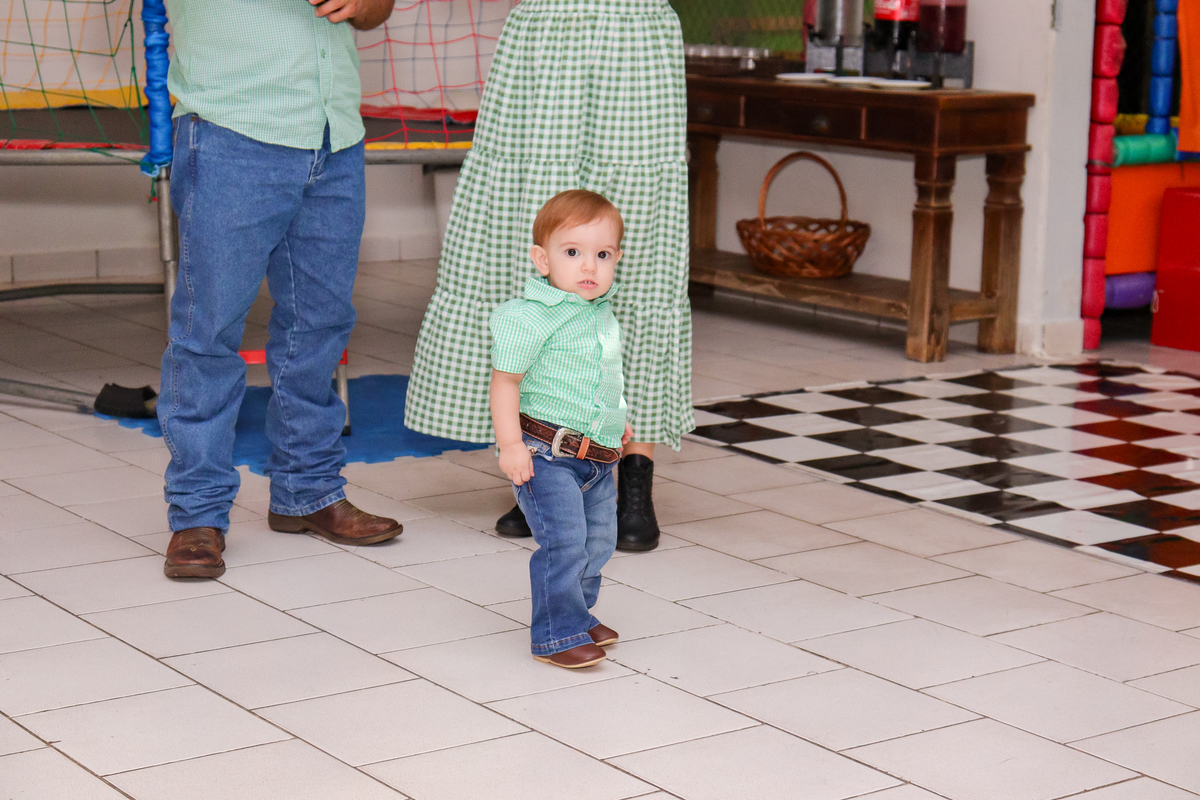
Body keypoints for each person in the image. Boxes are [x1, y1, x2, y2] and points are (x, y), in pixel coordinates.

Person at [404, 0, 694, 553]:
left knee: (639, 252)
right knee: (539, 227)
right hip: (543, 31)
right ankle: (540, 472)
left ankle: (635, 484)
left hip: (635, 31)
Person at [159, 0, 402, 579]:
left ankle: (308, 491)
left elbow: (376, 10)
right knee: (208, 332)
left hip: (334, 136)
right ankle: (197, 515)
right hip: (231, 132)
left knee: (321, 325)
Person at [490, 190, 631, 669]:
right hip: (544, 454)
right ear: (542, 259)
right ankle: (555, 635)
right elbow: (506, 382)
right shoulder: (529, 317)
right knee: (564, 543)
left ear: (616, 259)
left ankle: (577, 614)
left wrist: (616, 418)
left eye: (602, 254)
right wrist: (510, 445)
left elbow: (600, 376)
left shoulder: (600, 314)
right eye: (572, 252)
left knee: (598, 543)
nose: (589, 265)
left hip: (597, 455)